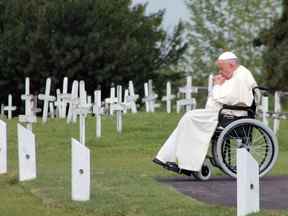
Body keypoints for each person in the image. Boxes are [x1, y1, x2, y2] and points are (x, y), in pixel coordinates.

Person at [153, 51, 257, 175]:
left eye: (221, 68)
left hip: (231, 115)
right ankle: (167, 158)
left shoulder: (241, 76)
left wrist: (217, 86)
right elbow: (216, 101)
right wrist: (218, 86)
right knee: (188, 118)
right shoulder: (233, 76)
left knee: (190, 118)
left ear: (231, 65)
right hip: (223, 113)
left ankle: (187, 165)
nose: (220, 72)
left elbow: (227, 98)